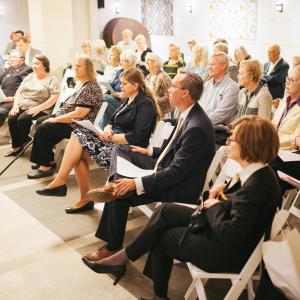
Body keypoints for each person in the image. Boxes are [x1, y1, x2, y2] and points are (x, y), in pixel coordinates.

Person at [82, 115, 281, 300]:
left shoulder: (257, 185)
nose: (228, 142)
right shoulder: (260, 173)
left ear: (249, 145)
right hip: (226, 233)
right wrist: (222, 194)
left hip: (226, 252)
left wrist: (213, 205)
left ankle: (141, 279)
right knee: (165, 210)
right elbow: (240, 208)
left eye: (233, 139)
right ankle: (122, 258)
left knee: (162, 237)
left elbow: (231, 234)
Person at [83, 71, 215, 262]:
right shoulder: (189, 113)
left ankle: (112, 247)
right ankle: (114, 184)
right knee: (123, 150)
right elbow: (175, 148)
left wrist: (136, 183)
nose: (169, 90)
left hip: (178, 185)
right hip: (165, 167)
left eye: (173, 86)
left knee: (120, 192)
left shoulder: (197, 126)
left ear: (185, 93)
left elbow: (176, 173)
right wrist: (151, 151)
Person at [36, 68, 158, 214]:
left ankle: (66, 186)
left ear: (135, 85)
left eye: (124, 84)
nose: (121, 87)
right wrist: (107, 129)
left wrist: (110, 137)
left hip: (129, 150)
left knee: (77, 145)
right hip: (113, 141)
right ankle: (75, 192)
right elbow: (112, 121)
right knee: (78, 142)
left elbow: (137, 136)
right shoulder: (128, 99)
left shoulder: (145, 103)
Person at [27, 55, 103, 179]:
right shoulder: (83, 84)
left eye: (79, 66)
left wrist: (56, 119)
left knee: (43, 128)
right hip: (69, 120)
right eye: (75, 66)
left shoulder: (91, 87)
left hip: (78, 126)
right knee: (40, 121)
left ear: (88, 68)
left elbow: (79, 114)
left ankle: (46, 167)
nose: (75, 68)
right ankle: (46, 159)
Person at [6, 55, 59, 157]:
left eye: (37, 63)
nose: (33, 66)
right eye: (33, 63)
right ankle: (16, 147)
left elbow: (54, 98)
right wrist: (15, 106)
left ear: (45, 65)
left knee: (22, 119)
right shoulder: (29, 76)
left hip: (41, 108)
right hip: (22, 105)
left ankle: (24, 142)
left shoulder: (52, 79)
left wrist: (39, 108)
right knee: (12, 118)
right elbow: (19, 92)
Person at [270, 65, 300, 193]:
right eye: (287, 78)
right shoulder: (284, 100)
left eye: (292, 80)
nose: (287, 82)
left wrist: (271, 144)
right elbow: (274, 125)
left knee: (267, 166)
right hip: (275, 149)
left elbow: (295, 139)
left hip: (289, 153)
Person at [99, 51, 137, 130]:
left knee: (106, 98)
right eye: (122, 60)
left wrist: (119, 94)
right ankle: (103, 128)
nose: (123, 63)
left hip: (126, 103)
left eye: (126, 61)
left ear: (133, 63)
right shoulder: (119, 72)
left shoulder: (135, 74)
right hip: (115, 98)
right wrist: (108, 88)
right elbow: (112, 85)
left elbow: (133, 93)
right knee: (104, 101)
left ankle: (102, 128)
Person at [199, 52, 239, 126]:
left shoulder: (232, 87)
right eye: (209, 64)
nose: (209, 67)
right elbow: (200, 105)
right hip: (202, 125)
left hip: (216, 131)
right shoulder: (207, 84)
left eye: (213, 64)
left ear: (223, 66)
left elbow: (220, 114)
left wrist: (199, 122)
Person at [0, 51, 32, 127]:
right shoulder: (9, 69)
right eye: (10, 57)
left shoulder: (27, 70)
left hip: (14, 101)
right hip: (3, 99)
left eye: (15, 57)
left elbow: (28, 89)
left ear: (22, 59)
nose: (12, 59)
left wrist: (14, 98)